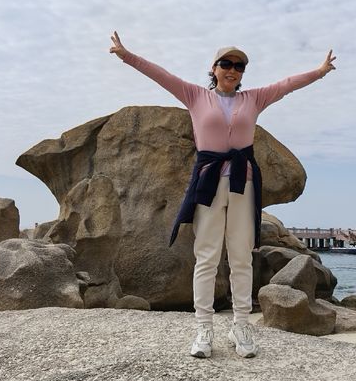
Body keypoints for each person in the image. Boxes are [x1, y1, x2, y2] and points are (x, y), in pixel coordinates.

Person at [109, 32, 336, 359]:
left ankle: (241, 325)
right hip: (209, 184)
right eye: (226, 64)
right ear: (213, 68)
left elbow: (286, 84)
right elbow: (160, 74)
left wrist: (318, 71)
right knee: (207, 256)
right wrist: (126, 55)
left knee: (242, 256)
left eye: (239, 66)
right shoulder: (195, 96)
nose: (233, 70)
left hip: (243, 185)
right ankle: (204, 329)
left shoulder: (254, 99)